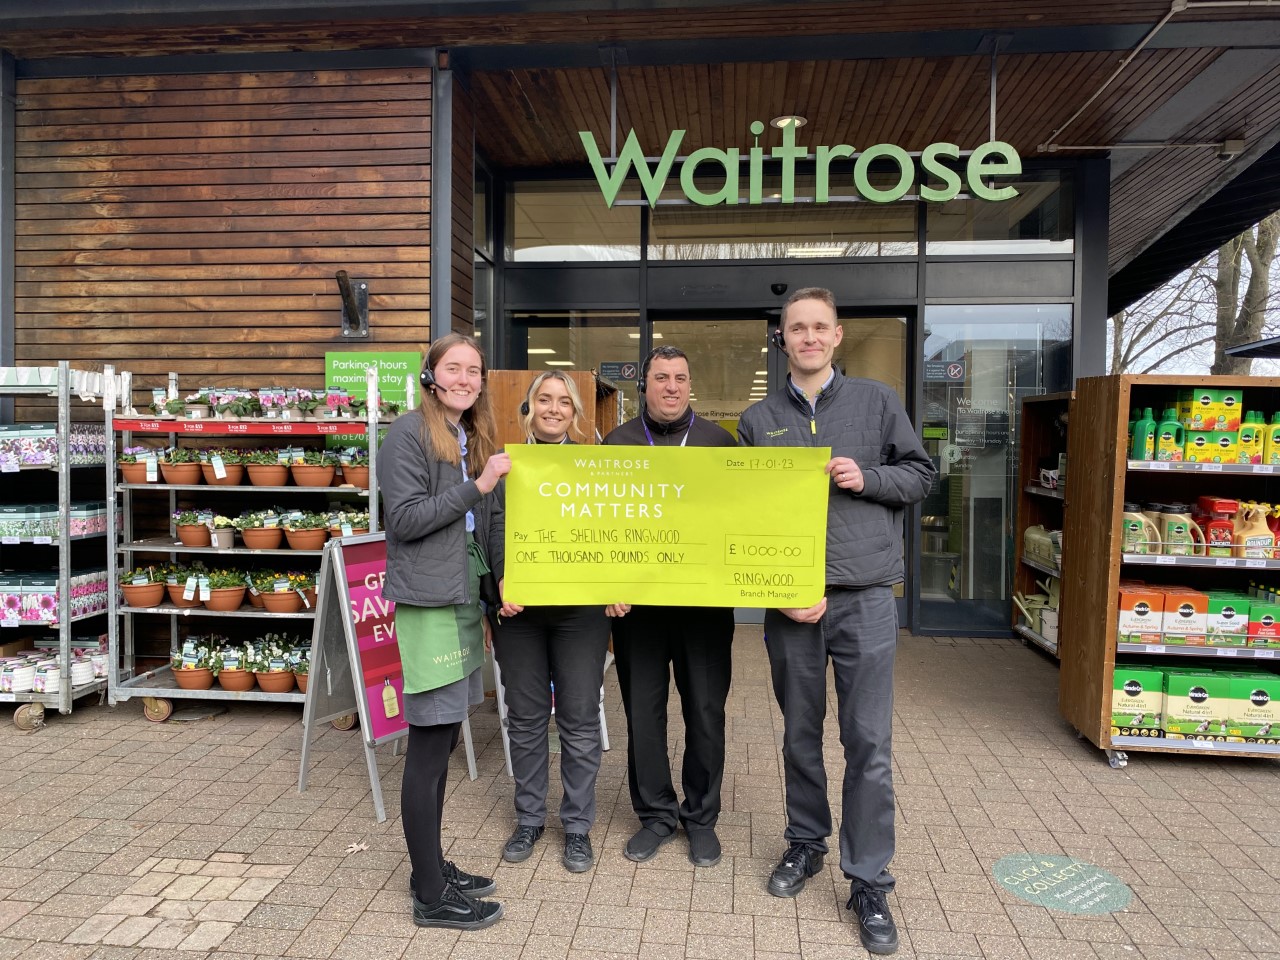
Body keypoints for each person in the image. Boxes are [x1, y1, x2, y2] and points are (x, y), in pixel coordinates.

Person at [736, 288, 935, 956]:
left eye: (820, 327)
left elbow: (920, 476)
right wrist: (778, 587)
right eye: (798, 328)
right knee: (799, 735)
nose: (809, 337)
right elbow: (748, 518)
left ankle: (869, 878)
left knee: (869, 744)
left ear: (838, 335)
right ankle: (805, 844)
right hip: (791, 607)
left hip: (866, 599)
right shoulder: (757, 419)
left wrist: (870, 477)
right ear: (783, 338)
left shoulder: (877, 402)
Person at [378, 333, 510, 931]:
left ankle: (429, 868)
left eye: (474, 371)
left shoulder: (465, 436)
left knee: (447, 741)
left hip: (458, 599)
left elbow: (473, 534)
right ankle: (430, 895)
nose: (464, 378)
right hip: (428, 603)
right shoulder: (408, 432)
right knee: (429, 747)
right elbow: (403, 520)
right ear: (430, 374)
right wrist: (475, 489)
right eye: (452, 369)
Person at [604, 345, 737, 867]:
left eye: (681, 378)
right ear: (645, 385)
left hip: (704, 610)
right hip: (638, 610)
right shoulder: (616, 445)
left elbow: (742, 517)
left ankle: (701, 817)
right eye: (661, 378)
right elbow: (600, 525)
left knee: (706, 712)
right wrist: (606, 584)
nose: (672, 387)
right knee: (644, 713)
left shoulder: (719, 444)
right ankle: (656, 814)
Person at [487, 372, 611, 873]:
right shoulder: (506, 464)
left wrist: (617, 586)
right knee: (526, 718)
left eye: (564, 402)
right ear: (529, 408)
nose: (554, 408)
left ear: (575, 413)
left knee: (580, 721)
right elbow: (493, 527)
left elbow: (613, 532)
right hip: (520, 614)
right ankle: (530, 819)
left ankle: (577, 826)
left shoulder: (595, 468)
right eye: (545, 399)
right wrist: (500, 582)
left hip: (581, 615)